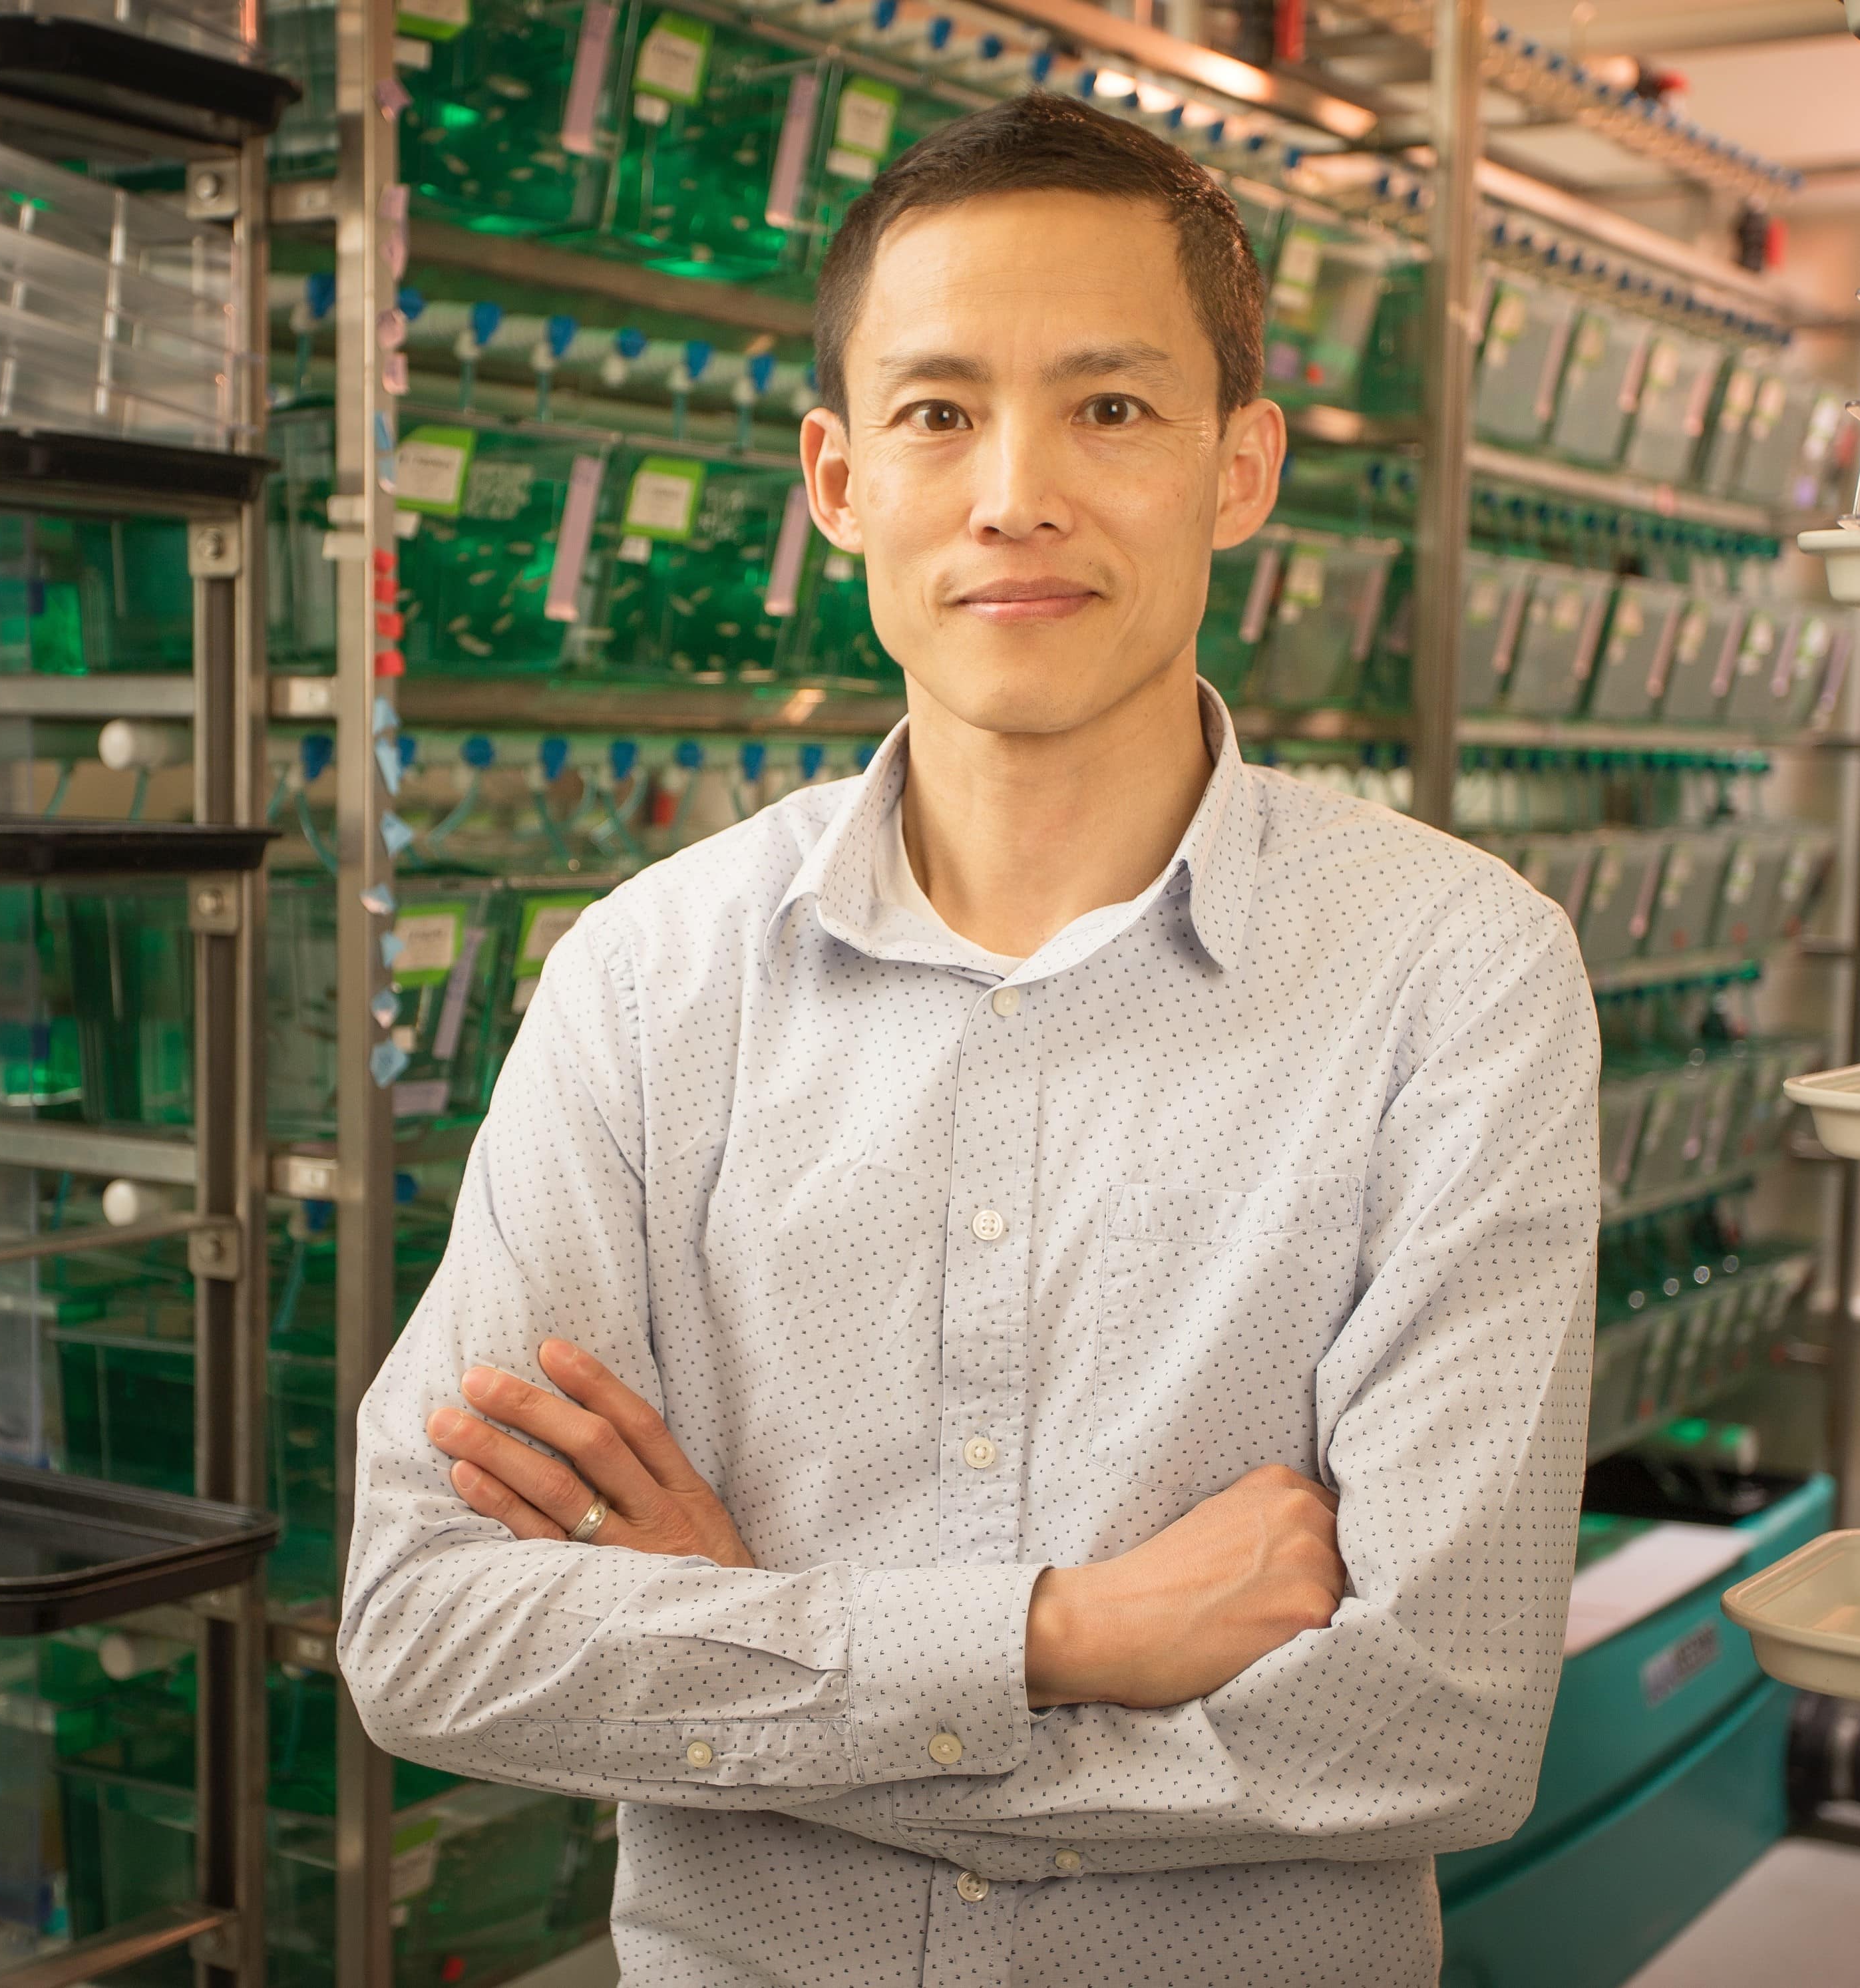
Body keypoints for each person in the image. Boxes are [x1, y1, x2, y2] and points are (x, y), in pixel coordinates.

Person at [342, 91, 1598, 1988]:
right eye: (939, 412)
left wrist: (753, 1651)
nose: (1018, 489)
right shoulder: (645, 980)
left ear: (1240, 468)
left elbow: (1434, 1720)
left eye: (1111, 407)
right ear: (838, 480)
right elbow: (430, 1627)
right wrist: (1059, 1634)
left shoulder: (1461, 979)